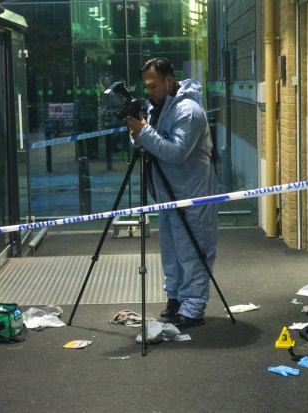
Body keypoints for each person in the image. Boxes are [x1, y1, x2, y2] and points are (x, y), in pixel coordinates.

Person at [126, 57, 218, 328]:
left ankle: (193, 307)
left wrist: (144, 132)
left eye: (153, 85)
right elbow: (147, 144)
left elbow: (176, 152)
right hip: (167, 193)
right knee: (171, 252)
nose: (149, 92)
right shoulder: (159, 107)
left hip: (192, 193)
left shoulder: (188, 111)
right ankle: (176, 298)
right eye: (146, 86)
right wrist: (137, 132)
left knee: (193, 251)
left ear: (168, 80)